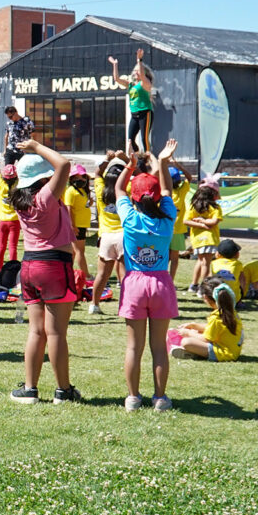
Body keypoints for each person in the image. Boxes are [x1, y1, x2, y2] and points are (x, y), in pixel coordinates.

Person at [7, 140, 81, 405]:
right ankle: (63, 391)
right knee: (57, 333)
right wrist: (36, 146)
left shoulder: (20, 200)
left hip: (29, 266)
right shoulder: (46, 197)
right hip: (54, 266)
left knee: (36, 331)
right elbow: (64, 164)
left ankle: (30, 389)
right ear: (43, 178)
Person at [115, 140, 180, 412]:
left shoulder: (129, 217)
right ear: (157, 198)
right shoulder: (167, 219)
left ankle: (132, 397)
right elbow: (166, 189)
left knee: (134, 347)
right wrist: (162, 162)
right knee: (159, 348)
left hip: (134, 283)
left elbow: (118, 188)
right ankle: (160, 398)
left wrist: (129, 166)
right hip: (161, 282)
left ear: (134, 197)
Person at [89, 152, 128, 315]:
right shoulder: (127, 191)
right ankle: (126, 306)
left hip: (105, 236)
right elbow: (141, 174)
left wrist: (108, 159)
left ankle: (94, 305)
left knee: (102, 275)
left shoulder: (100, 190)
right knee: (125, 276)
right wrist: (126, 159)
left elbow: (97, 173)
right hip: (124, 236)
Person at [169, 278, 243, 362]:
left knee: (186, 342)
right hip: (232, 350)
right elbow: (212, 328)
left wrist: (188, 333)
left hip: (223, 353)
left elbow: (206, 339)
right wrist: (194, 326)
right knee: (196, 332)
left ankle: (194, 352)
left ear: (205, 298)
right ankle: (195, 351)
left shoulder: (217, 317)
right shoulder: (230, 312)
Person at [109, 49, 155, 154]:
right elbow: (116, 79)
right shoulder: (130, 84)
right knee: (130, 139)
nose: (135, 74)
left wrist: (139, 60)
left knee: (144, 138)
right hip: (134, 115)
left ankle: (149, 157)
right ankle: (138, 156)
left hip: (145, 113)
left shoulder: (145, 83)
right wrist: (115, 65)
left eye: (137, 72)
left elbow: (142, 75)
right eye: (134, 72)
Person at [184, 181, 223, 296]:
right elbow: (214, 222)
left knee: (201, 261)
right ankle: (203, 288)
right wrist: (204, 223)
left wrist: (200, 221)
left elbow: (187, 221)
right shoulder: (215, 207)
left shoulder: (194, 206)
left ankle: (194, 285)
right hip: (209, 239)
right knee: (206, 263)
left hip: (197, 240)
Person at [64, 164, 92, 280]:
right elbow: (68, 209)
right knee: (80, 251)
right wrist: (72, 225)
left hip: (82, 224)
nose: (79, 180)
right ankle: (87, 276)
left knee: (74, 252)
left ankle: (67, 272)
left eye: (82, 178)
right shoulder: (70, 191)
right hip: (77, 225)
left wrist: (89, 203)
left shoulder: (82, 190)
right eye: (76, 178)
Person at [167, 165, 193, 282]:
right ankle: (170, 280)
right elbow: (189, 177)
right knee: (174, 258)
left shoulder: (163, 192)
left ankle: (162, 278)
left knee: (163, 256)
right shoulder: (182, 191)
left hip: (164, 229)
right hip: (177, 230)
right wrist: (178, 165)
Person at [0, 164, 21, 275]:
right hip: (14, 220)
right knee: (13, 246)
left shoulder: (1, 184)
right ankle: (13, 268)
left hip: (2, 220)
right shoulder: (18, 185)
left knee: (1, 246)